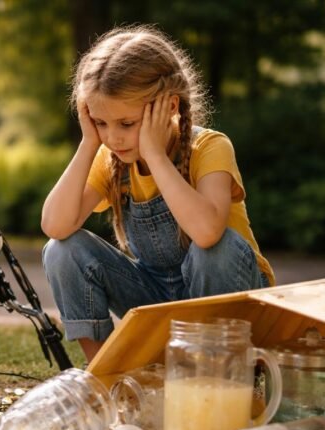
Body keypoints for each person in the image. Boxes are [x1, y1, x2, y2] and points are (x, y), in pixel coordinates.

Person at [41, 25, 274, 362]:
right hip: (158, 296)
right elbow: (55, 225)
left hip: (236, 309)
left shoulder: (210, 147)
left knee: (215, 248)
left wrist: (155, 155)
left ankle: (216, 373)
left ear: (169, 107)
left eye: (126, 124)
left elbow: (207, 233)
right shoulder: (110, 157)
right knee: (61, 250)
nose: (113, 138)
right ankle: (107, 374)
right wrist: (88, 142)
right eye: (101, 123)